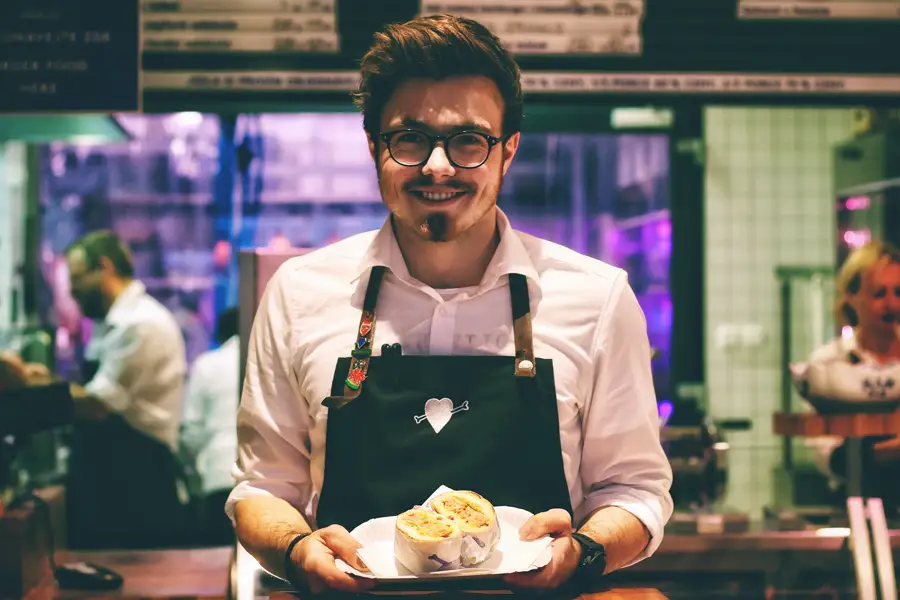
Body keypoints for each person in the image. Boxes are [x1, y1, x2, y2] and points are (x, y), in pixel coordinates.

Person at [228, 14, 673, 594]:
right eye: (410, 139)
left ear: (507, 151)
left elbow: (635, 490)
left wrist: (583, 553)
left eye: (468, 141)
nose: (438, 165)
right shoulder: (299, 292)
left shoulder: (596, 297)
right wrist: (295, 551)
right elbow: (262, 488)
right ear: (374, 148)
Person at [63, 230, 189, 549]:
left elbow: (96, 404)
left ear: (104, 268)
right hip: (115, 475)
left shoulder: (141, 323)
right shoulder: (113, 324)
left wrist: (32, 391)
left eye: (77, 278)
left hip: (137, 480)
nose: (71, 291)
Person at [805, 241, 900, 506]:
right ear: (850, 296)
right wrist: (888, 452)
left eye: (898, 292)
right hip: (854, 502)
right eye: (879, 293)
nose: (891, 304)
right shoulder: (829, 364)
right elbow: (828, 457)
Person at [181, 307, 240, 545]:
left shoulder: (207, 365)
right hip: (269, 488)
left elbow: (191, 432)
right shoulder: (275, 360)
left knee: (216, 565)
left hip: (218, 478)